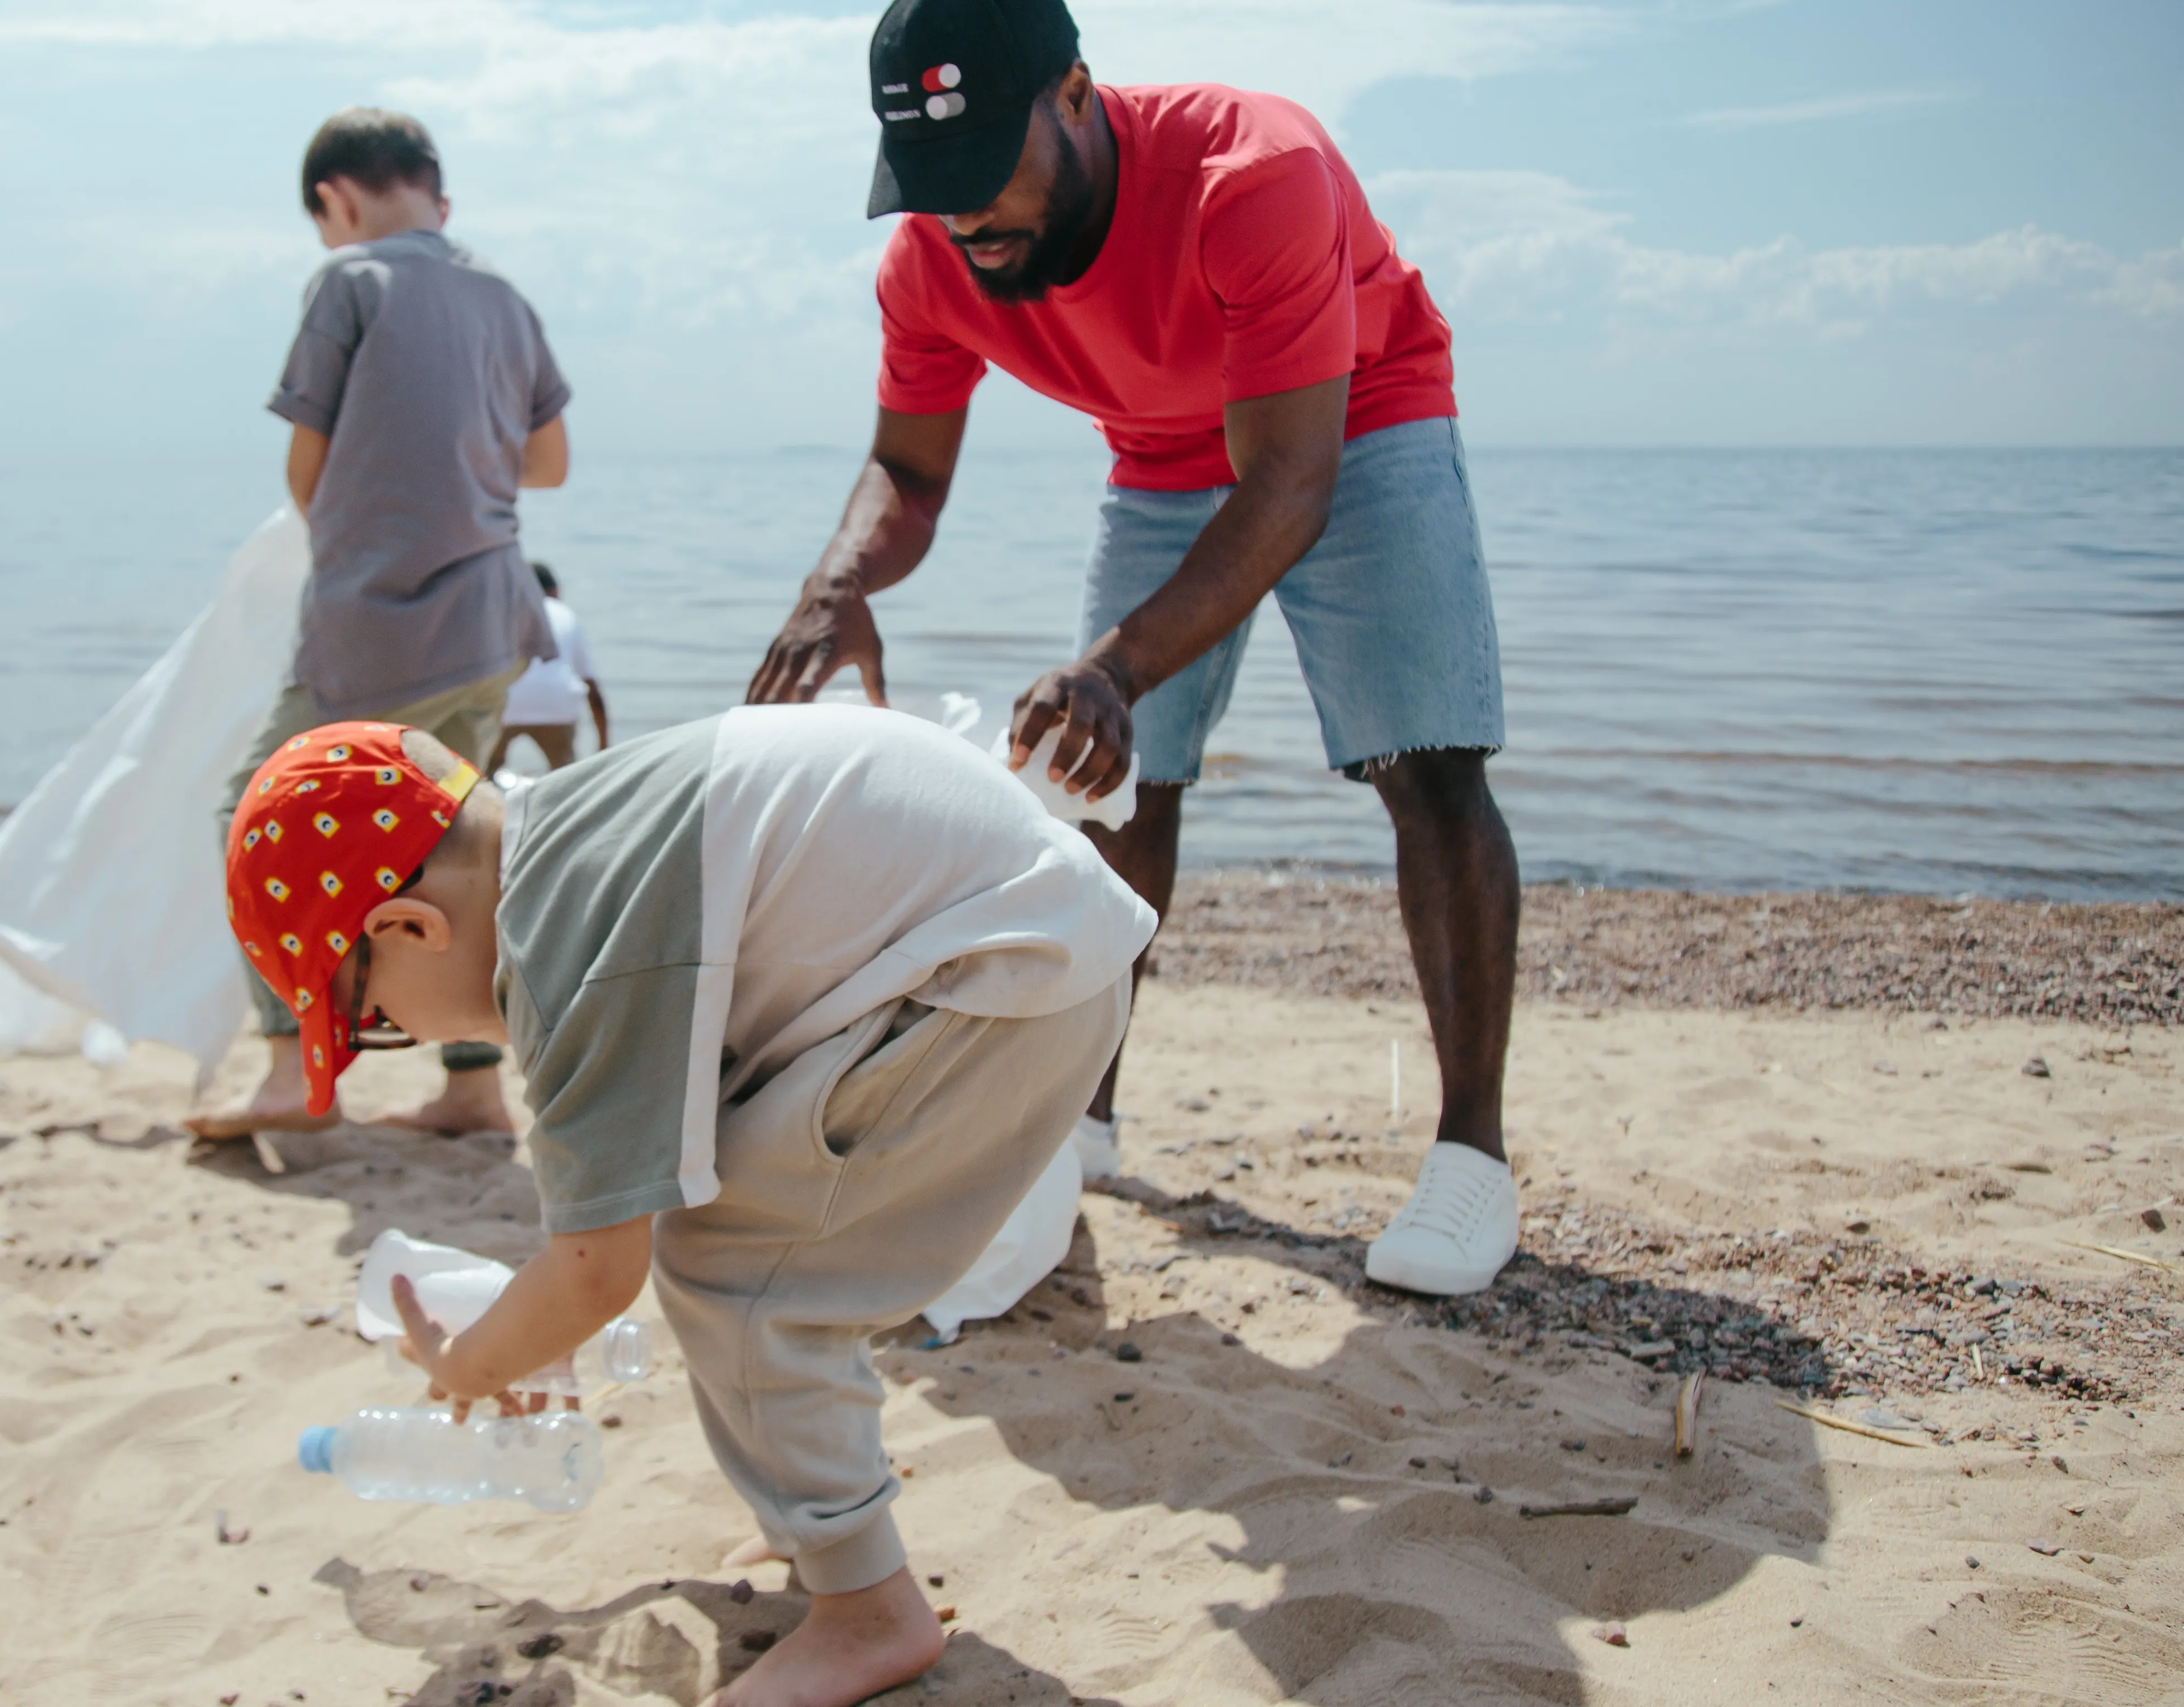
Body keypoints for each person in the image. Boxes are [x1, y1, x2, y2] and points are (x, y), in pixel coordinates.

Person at [748, 0, 1524, 1298]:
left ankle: (1469, 1155)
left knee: (1424, 764)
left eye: (984, 169)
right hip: (1158, 454)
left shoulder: (1252, 174)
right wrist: (837, 580)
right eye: (927, 188)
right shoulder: (933, 261)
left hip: (1353, 416)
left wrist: (1113, 662)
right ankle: (1080, 1111)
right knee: (1105, 781)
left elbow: (1286, 486)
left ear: (1072, 95)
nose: (962, 217)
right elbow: (905, 470)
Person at [222, 710, 1150, 1707]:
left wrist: (473, 1362)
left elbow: (596, 1270)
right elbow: (644, 1179)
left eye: (372, 1019)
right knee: (740, 1230)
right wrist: (548, 1315)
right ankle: (817, 1521)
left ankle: (868, 1608)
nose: (389, 1031)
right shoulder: (574, 840)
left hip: (997, 977)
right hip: (1024, 943)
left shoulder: (562, 938)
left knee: (746, 1274)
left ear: (408, 928)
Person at [187, 106, 572, 1142]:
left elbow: (306, 473)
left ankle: (285, 1067)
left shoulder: (350, 282)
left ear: (336, 198)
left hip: (380, 624)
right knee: (462, 845)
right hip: (491, 618)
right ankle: (476, 1083)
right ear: (432, 191)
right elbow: (549, 463)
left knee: (251, 815)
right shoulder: (501, 293)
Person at [488, 561, 610, 773]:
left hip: (508, 703)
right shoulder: (565, 613)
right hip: (558, 705)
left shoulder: (503, 611)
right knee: (565, 779)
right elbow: (591, 686)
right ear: (556, 591)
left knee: (483, 774)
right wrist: (604, 746)